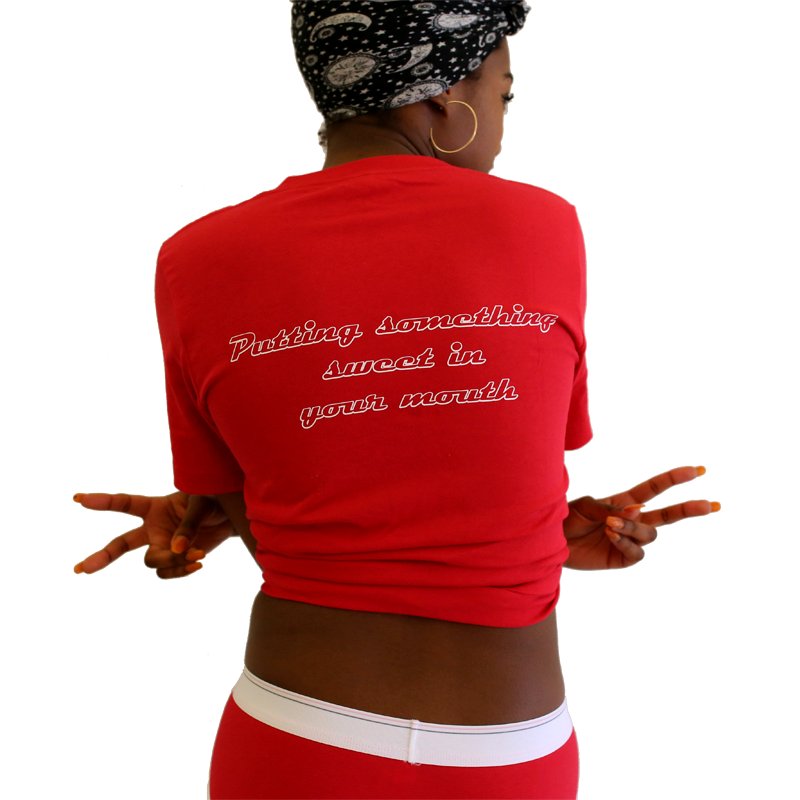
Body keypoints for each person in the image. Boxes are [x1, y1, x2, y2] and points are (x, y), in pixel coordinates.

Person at [73, 2, 720, 798]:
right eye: (503, 94)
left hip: (294, 734)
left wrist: (531, 540)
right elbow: (487, 454)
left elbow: (257, 518)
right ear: (443, 96)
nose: (501, 126)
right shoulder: (541, 225)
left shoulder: (193, 258)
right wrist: (521, 548)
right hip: (508, 750)